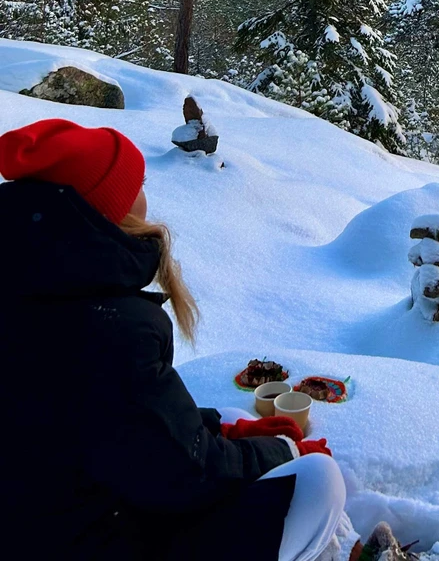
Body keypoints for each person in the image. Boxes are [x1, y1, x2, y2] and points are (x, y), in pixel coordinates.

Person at [0, 117, 348, 561]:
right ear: (109, 207)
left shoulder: (33, 289)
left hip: (47, 517)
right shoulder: (110, 328)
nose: (147, 194)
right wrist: (279, 449)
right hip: (97, 537)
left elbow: (124, 425)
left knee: (226, 413)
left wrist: (221, 431)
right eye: (137, 183)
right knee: (320, 481)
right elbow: (184, 473)